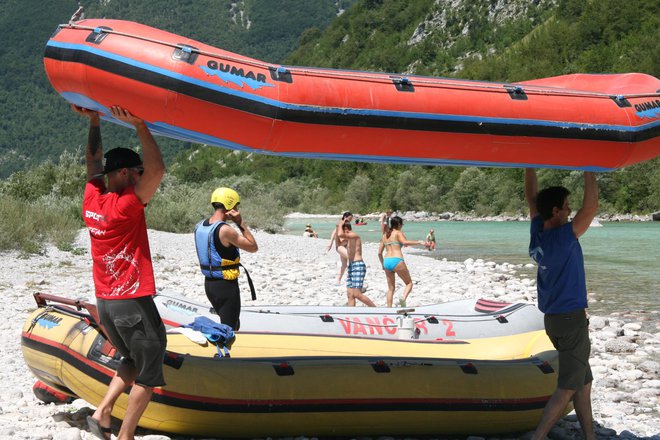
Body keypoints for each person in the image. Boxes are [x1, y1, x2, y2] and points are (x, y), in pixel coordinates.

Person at [74, 104, 167, 440]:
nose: (143, 176)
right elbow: (159, 170)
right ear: (127, 174)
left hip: (106, 305)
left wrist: (95, 121)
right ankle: (125, 436)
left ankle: (102, 412)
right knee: (149, 369)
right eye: (137, 172)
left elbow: (93, 163)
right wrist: (141, 125)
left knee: (129, 357)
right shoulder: (126, 206)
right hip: (131, 302)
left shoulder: (92, 200)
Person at [524, 169, 598, 440]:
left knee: (583, 381)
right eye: (566, 208)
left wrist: (529, 166)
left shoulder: (538, 234)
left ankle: (590, 435)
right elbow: (591, 208)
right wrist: (592, 169)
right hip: (570, 321)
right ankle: (538, 436)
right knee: (568, 386)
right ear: (555, 211)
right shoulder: (563, 238)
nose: (570, 211)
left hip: (553, 320)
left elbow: (532, 200)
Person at [195, 187, 258, 330]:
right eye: (236, 205)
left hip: (210, 285)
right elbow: (253, 247)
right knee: (230, 328)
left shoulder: (200, 226)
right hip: (226, 286)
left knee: (228, 322)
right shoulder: (225, 230)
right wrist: (240, 222)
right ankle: (224, 352)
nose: (236, 208)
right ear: (229, 205)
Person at [377, 216, 428, 307]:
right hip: (397, 260)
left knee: (391, 288)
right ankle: (403, 299)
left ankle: (389, 309)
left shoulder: (385, 236)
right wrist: (419, 242)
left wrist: (382, 265)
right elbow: (405, 243)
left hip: (386, 261)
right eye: (402, 224)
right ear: (399, 224)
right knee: (409, 283)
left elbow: (379, 253)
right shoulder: (398, 233)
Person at [338, 223, 376, 307]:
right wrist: (337, 229)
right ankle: (351, 313)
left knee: (357, 294)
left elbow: (340, 234)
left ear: (347, 229)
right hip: (351, 266)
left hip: (358, 265)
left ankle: (376, 310)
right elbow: (338, 244)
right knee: (350, 294)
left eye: (342, 230)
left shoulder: (354, 235)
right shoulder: (348, 239)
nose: (341, 234)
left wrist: (340, 223)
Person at [326, 211, 353, 284]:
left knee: (344, 265)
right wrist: (330, 243)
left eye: (351, 219)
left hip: (345, 246)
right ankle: (351, 278)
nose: (350, 220)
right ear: (345, 217)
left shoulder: (347, 224)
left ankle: (338, 280)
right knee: (351, 258)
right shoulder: (340, 223)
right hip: (340, 246)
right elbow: (334, 233)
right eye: (350, 218)